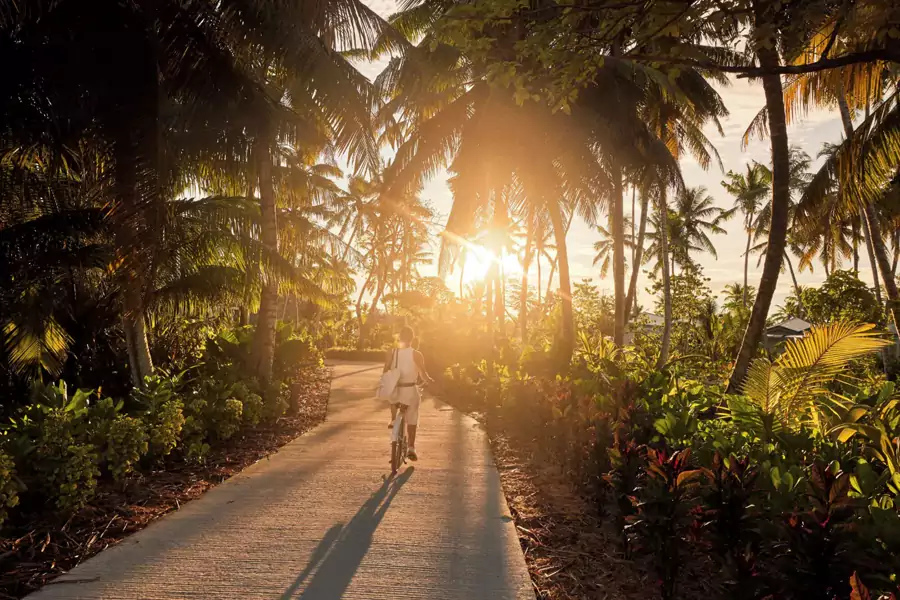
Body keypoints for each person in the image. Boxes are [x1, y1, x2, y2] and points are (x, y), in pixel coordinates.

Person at [384, 326, 433, 461]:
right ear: (412, 339)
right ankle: (411, 447)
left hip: (395, 391)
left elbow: (385, 371)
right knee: (412, 417)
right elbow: (423, 374)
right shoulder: (416, 354)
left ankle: (394, 419)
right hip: (409, 390)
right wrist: (429, 381)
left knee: (393, 398)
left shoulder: (391, 353)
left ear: (399, 337)